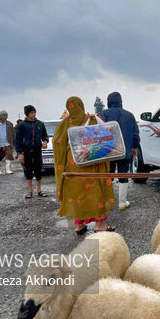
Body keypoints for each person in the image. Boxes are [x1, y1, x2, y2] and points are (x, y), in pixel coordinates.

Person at [53, 97, 116, 234]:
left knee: (77, 194)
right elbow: (106, 134)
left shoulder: (64, 124)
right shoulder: (92, 119)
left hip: (74, 163)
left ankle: (79, 225)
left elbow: (57, 143)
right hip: (91, 161)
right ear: (81, 105)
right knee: (95, 190)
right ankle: (99, 224)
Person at [99, 92, 140, 210]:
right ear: (120, 101)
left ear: (108, 102)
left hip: (108, 151)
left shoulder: (103, 114)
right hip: (125, 151)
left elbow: (97, 132)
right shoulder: (130, 115)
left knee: (109, 175)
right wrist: (134, 147)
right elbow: (135, 133)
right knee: (123, 174)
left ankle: (108, 201)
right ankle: (122, 202)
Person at [15, 105, 49, 199]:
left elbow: (45, 136)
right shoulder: (22, 125)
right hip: (26, 151)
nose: (33, 114)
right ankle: (30, 191)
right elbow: (18, 140)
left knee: (38, 169)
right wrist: (20, 153)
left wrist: (45, 142)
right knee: (28, 170)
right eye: (31, 113)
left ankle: (39, 190)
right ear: (27, 114)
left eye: (34, 112)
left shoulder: (40, 124)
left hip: (37, 150)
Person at [0, 110, 16, 175]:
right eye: (4, 115)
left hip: (8, 143)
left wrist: (14, 143)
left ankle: (8, 169)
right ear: (0, 116)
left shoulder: (10, 124)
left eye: (6, 115)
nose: (5, 117)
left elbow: (13, 134)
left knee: (9, 155)